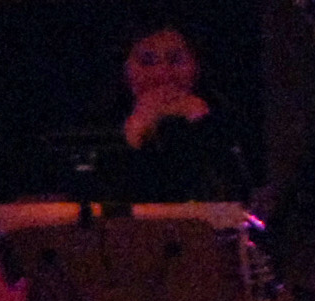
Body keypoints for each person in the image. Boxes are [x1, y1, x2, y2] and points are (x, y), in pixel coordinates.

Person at [97, 22, 250, 203]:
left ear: (197, 67)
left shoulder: (224, 120)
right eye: (147, 62)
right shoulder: (100, 124)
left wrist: (202, 125)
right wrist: (137, 133)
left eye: (176, 61)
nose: (163, 74)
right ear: (125, 70)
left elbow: (236, 196)